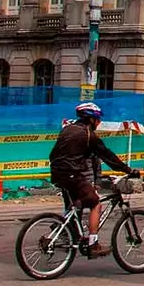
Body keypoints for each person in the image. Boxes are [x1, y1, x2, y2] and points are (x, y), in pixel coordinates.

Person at [47, 101, 138, 257]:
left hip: (57, 175)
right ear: (91, 119)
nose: (99, 122)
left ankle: (64, 233)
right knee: (95, 203)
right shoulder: (89, 135)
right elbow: (107, 155)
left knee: (75, 206)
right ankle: (93, 244)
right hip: (73, 175)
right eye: (97, 119)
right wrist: (127, 170)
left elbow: (54, 154)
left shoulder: (67, 130)